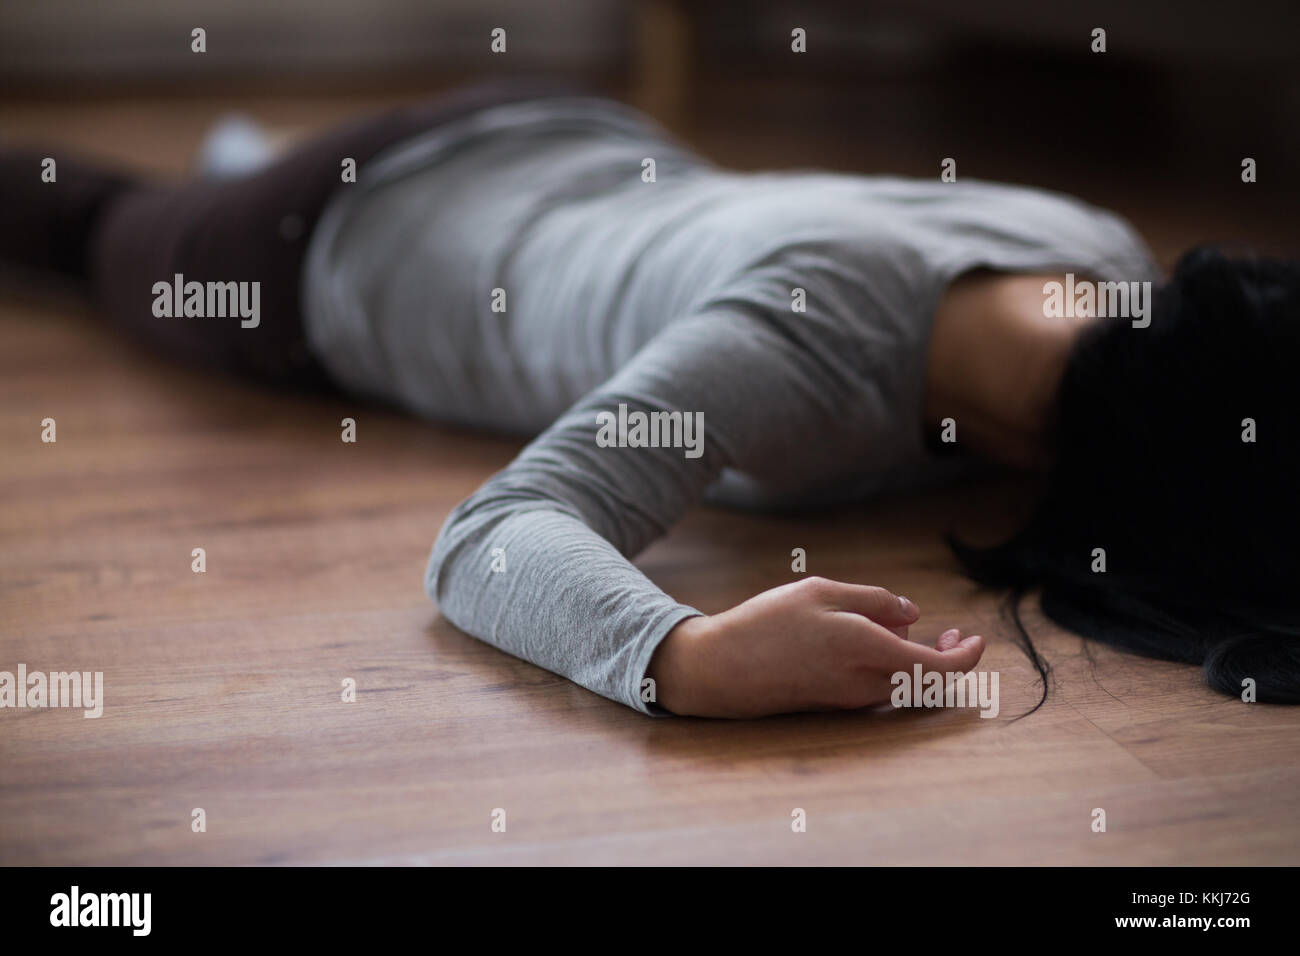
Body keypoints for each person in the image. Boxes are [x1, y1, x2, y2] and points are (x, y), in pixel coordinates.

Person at [5, 82, 1296, 717]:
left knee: (210, 182)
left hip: (560, 136)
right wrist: (686, 653)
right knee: (94, 229)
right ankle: (206, 193)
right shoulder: (790, 350)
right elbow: (495, 534)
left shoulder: (1098, 245)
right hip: (306, 256)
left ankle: (237, 157)